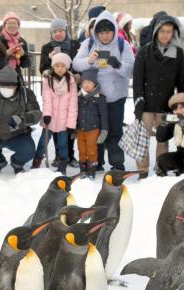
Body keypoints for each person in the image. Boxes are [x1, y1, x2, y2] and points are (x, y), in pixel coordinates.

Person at [74, 11, 135, 172]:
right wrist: (89, 60)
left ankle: (117, 165)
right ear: (96, 32)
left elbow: (131, 69)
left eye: (108, 32)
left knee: (115, 132)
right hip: (94, 97)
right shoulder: (88, 43)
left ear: (114, 30)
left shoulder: (123, 44)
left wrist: (118, 65)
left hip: (116, 97)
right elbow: (76, 64)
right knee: (96, 131)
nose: (105, 36)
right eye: (101, 32)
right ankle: (97, 163)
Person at [133, 15, 184, 178]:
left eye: (169, 31)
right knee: (142, 140)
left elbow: (181, 80)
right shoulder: (144, 52)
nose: (165, 35)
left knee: (163, 140)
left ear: (173, 33)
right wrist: (138, 100)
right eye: (162, 31)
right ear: (156, 32)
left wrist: (183, 103)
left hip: (166, 106)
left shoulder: (178, 53)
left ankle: (160, 168)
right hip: (147, 106)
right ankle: (142, 171)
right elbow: (138, 79)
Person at [0, 65, 41, 174]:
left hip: (18, 134)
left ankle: (17, 163)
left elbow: (36, 114)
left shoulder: (26, 94)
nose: (7, 88)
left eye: (11, 86)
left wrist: (21, 120)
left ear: (17, 85)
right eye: (3, 85)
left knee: (28, 151)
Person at [39, 17, 80, 167]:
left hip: (71, 88)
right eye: (55, 31)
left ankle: (70, 155)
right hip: (53, 88)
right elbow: (41, 68)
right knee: (56, 125)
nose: (58, 34)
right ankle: (58, 155)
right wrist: (48, 64)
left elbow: (78, 64)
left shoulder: (75, 45)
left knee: (70, 122)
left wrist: (76, 75)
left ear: (65, 31)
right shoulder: (46, 47)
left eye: (60, 30)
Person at [33, 52, 77, 174]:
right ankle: (36, 161)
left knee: (63, 144)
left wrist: (71, 123)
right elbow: (47, 99)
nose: (59, 68)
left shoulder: (71, 81)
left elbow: (73, 104)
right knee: (43, 142)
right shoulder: (48, 80)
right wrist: (46, 114)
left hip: (64, 121)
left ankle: (63, 165)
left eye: (62, 66)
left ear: (67, 67)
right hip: (49, 119)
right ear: (53, 66)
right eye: (57, 65)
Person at [75, 68, 108, 179]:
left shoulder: (100, 98)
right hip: (80, 129)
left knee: (91, 150)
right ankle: (83, 170)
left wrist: (104, 130)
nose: (86, 85)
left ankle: (91, 171)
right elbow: (75, 113)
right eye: (84, 82)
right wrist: (73, 128)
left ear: (95, 83)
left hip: (93, 129)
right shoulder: (78, 97)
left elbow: (104, 115)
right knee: (81, 149)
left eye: (89, 82)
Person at [0, 12, 31, 78]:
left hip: (16, 76)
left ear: (18, 26)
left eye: (14, 23)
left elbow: (26, 64)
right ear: (4, 25)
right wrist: (6, 54)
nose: (12, 26)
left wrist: (23, 55)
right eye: (9, 23)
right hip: (0, 75)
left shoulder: (21, 41)